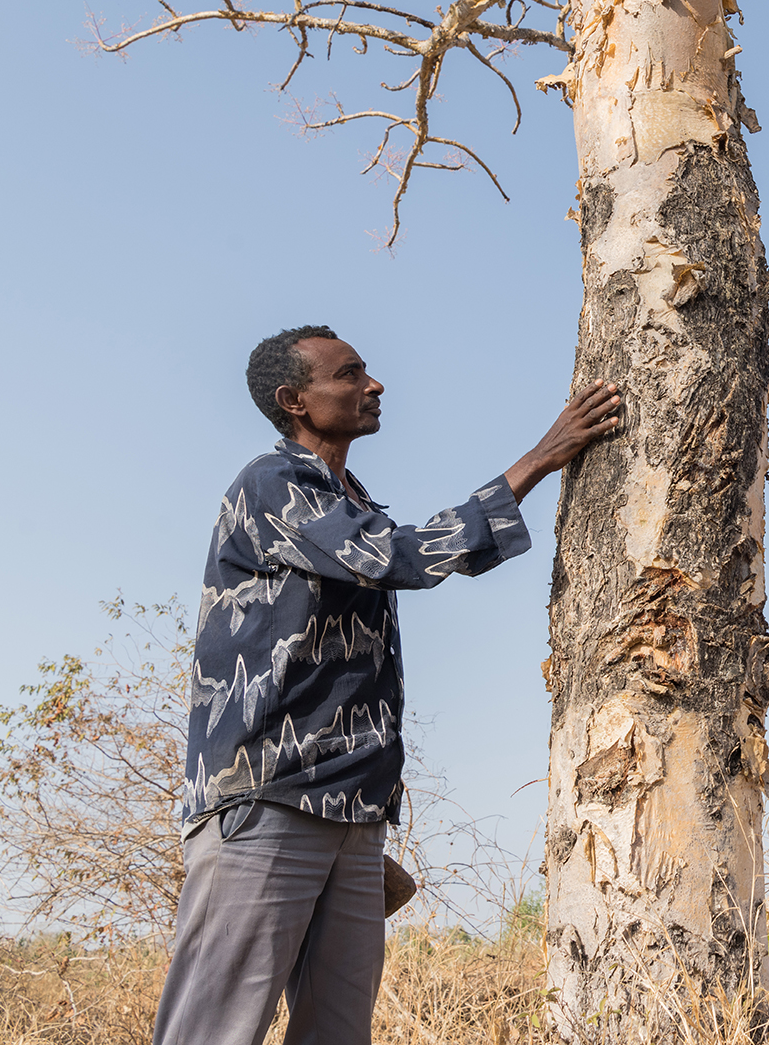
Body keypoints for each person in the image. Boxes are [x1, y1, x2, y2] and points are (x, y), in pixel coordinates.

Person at [152, 325, 620, 1045]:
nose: (373, 385)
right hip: (271, 802)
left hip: (354, 810)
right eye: (350, 374)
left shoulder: (350, 496)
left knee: (338, 1033)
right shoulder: (273, 483)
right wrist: (538, 461)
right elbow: (397, 557)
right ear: (294, 401)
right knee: (215, 1032)